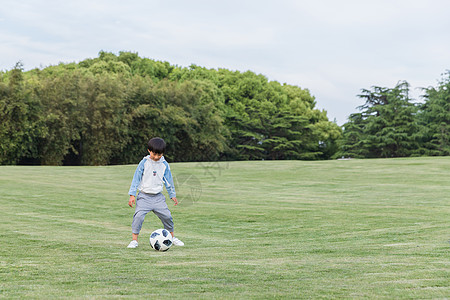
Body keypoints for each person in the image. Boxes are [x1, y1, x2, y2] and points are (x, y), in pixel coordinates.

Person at [127, 137, 184, 248]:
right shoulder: (144, 163)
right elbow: (136, 178)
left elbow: (168, 180)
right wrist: (132, 195)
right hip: (144, 197)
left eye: (160, 155)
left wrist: (172, 195)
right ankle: (134, 240)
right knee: (138, 217)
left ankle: (172, 238)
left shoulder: (164, 165)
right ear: (149, 150)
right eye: (154, 154)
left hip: (158, 198)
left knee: (167, 216)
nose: (157, 157)